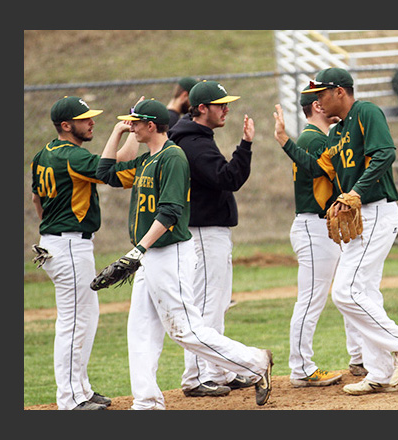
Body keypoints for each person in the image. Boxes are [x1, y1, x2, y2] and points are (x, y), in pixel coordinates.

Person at [96, 98, 273, 410]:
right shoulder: (146, 160)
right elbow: (106, 172)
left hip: (170, 253)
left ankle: (255, 362)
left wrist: (137, 250)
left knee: (186, 330)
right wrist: (116, 132)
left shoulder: (173, 158)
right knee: (140, 331)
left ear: (151, 126)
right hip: (150, 255)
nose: (133, 127)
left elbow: (170, 211)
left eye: (136, 124)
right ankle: (147, 402)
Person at [273, 67, 398, 395]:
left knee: (346, 291)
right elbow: (317, 168)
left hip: (376, 211)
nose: (318, 101)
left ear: (340, 91)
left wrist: (356, 191)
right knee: (364, 292)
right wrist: (285, 141)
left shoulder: (366, 113)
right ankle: (381, 373)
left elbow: (385, 153)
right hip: (361, 216)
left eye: (321, 94)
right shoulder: (337, 132)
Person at [30, 96, 138, 410]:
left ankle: (81, 390)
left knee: (82, 319)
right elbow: (112, 167)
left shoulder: (42, 154)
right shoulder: (72, 156)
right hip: (69, 245)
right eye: (84, 118)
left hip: (55, 241)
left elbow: (37, 198)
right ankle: (71, 399)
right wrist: (125, 130)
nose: (91, 122)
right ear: (66, 125)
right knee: (75, 323)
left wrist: (51, 227)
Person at [167, 80, 257, 397]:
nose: (226, 109)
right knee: (204, 306)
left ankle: (216, 370)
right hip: (203, 232)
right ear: (201, 108)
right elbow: (228, 177)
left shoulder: (196, 136)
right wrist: (245, 145)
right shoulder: (194, 143)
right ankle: (198, 377)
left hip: (209, 231)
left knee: (215, 304)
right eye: (220, 105)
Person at [284, 87, 346, 387]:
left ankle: (359, 357)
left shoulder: (317, 137)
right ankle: (301, 368)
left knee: (348, 291)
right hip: (313, 226)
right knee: (310, 300)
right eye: (327, 98)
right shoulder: (313, 138)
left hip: (320, 226)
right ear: (318, 106)